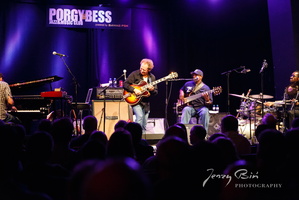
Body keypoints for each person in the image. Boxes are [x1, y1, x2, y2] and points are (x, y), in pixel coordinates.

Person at [123, 58, 158, 133]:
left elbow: (155, 92)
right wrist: (134, 90)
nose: (142, 70)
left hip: (146, 103)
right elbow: (125, 84)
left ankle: (142, 141)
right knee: (139, 118)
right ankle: (136, 138)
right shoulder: (134, 74)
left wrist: (152, 90)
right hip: (135, 100)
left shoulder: (152, 78)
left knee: (144, 124)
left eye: (144, 70)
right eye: (141, 68)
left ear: (149, 70)